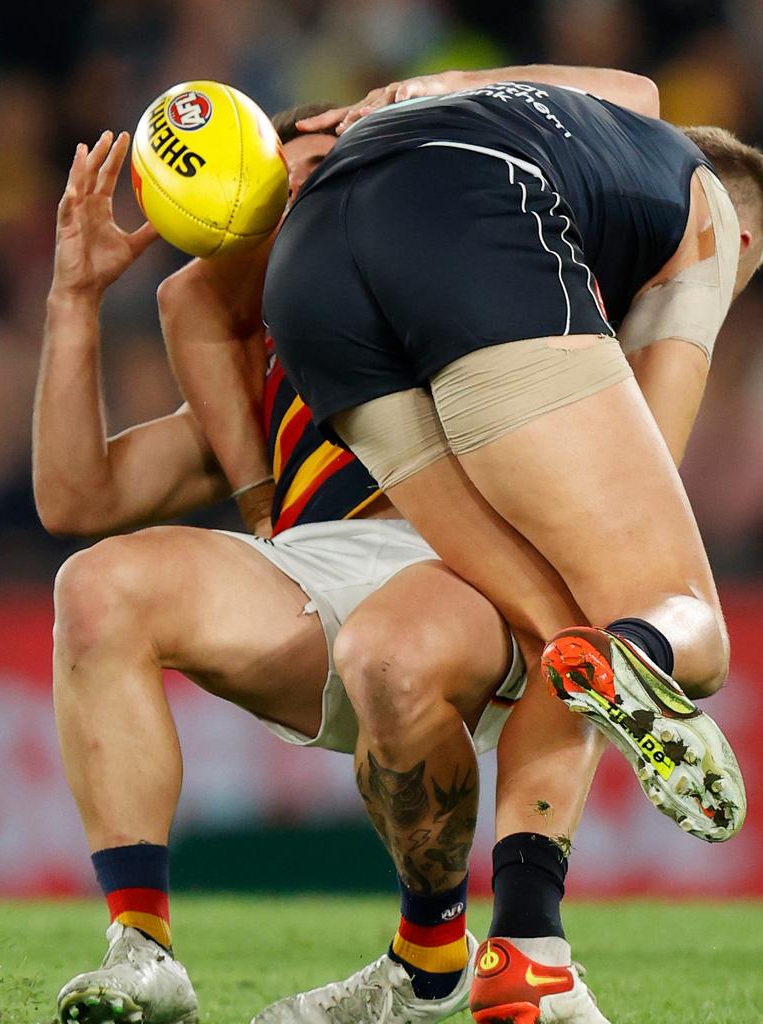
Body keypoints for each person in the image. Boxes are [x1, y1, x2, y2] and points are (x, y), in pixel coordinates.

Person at [37, 109, 608, 1024]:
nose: (302, 189)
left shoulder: (478, 294)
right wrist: (73, 299)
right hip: (309, 582)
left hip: (474, 587)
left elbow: (638, 105)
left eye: (326, 170)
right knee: (95, 585)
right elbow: (75, 498)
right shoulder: (271, 377)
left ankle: (429, 955)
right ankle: (141, 951)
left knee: (395, 651)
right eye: (283, 177)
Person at [258, 65, 762, 1018]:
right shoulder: (707, 226)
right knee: (674, 621)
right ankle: (529, 930)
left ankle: (524, 954)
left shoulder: (544, 121)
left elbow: (637, 88)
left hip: (310, 269)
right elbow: (636, 509)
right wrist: (635, 637)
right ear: (743, 241)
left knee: (557, 626)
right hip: (475, 221)